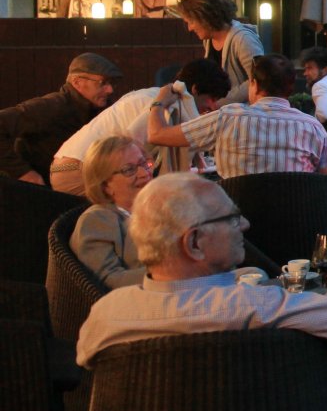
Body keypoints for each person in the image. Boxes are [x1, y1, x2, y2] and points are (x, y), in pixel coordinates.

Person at [77, 173, 327, 366]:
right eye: (231, 218)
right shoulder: (250, 307)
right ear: (194, 243)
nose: (245, 225)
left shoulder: (105, 316)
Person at [51, 58, 230, 195]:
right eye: (212, 99)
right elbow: (130, 145)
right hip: (76, 170)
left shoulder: (161, 96)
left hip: (75, 166)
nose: (214, 107)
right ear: (195, 90)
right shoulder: (164, 102)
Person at [147, 54, 327, 180]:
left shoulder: (227, 118)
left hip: (237, 224)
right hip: (297, 223)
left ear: (253, 84)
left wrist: (159, 103)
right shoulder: (313, 127)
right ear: (291, 87)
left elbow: (157, 135)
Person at [0, 52, 122, 184]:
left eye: (111, 83)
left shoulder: (104, 110)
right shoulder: (52, 106)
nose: (110, 90)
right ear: (77, 82)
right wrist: (22, 172)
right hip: (40, 192)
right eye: (102, 83)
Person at [71, 136, 153, 289]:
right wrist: (171, 273)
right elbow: (107, 281)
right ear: (105, 185)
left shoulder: (156, 207)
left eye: (143, 163)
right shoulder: (96, 220)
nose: (144, 173)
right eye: (129, 170)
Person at [173, 0, 263, 105]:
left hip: (243, 111)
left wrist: (219, 103)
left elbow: (258, 80)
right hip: (223, 110)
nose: (189, 28)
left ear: (204, 17)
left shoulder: (243, 39)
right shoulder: (208, 40)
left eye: (191, 22)